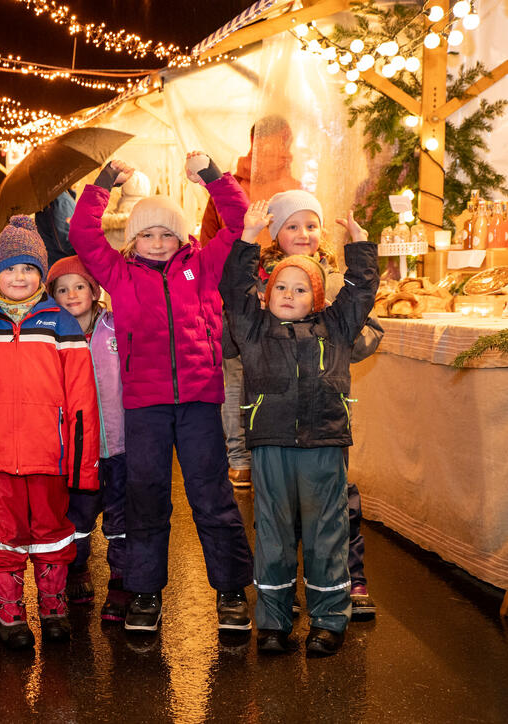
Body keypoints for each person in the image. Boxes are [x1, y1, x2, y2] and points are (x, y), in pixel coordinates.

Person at [67, 153, 254, 636]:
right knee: (146, 496)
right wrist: (105, 182)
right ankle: (145, 591)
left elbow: (237, 219)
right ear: (133, 241)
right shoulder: (119, 274)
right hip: (144, 405)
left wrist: (212, 175)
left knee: (210, 496)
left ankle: (231, 590)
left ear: (182, 236)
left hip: (198, 400)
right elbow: (82, 235)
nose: (156, 243)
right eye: (146, 235)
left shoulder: (205, 266)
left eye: (165, 234)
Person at [220, 200, 377, 657]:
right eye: (280, 288)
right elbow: (233, 288)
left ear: (318, 297)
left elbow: (362, 290)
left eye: (301, 290)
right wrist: (248, 237)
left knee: (328, 530)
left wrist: (361, 245)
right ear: (266, 294)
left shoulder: (337, 325)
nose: (289, 295)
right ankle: (273, 620)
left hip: (324, 442)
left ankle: (329, 619)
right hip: (271, 444)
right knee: (273, 530)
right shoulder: (252, 329)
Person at [0, 216, 100, 649]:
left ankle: (53, 604)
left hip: (49, 455)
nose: (18, 277)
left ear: (40, 275)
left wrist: (82, 464)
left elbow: (82, 398)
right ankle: (11, 610)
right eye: (10, 268)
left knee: (53, 533)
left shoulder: (61, 323)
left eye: (28, 269)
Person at [260, 190, 384, 618]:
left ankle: (348, 577)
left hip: (323, 412)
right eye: (291, 226)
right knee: (283, 512)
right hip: (279, 416)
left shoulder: (335, 277)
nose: (303, 234)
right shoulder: (267, 282)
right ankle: (287, 587)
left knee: (335, 504)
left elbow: (359, 309)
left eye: (310, 225)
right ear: (276, 234)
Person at [200, 117, 301, 489]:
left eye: (277, 140)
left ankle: (262, 454)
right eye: (263, 141)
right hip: (236, 292)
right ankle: (239, 456)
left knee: (267, 376)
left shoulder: (295, 185)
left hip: (282, 291)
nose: (270, 148)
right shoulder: (231, 185)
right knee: (236, 374)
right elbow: (209, 239)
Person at [47, 256, 129, 621]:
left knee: (121, 516)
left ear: (94, 291)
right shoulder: (51, 336)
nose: (71, 295)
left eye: (79, 286)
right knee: (77, 517)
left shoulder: (115, 326)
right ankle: (77, 570)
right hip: (77, 448)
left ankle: (122, 580)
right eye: (62, 290)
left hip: (119, 442)